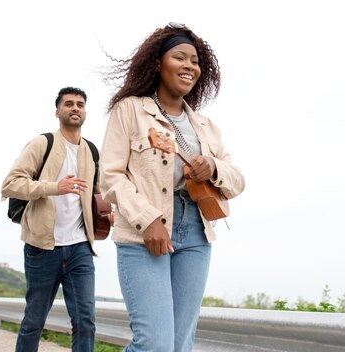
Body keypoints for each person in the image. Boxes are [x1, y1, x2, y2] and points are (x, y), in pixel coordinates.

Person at [99, 22, 246, 352]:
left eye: (195, 61)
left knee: (180, 346)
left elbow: (237, 180)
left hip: (196, 231)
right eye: (179, 57)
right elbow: (110, 177)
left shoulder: (205, 127)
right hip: (144, 230)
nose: (189, 66)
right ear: (157, 64)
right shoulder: (131, 110)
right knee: (154, 345)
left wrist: (214, 167)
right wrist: (147, 218)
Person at [1, 87, 98, 352]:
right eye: (69, 104)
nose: (75, 108)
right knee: (34, 321)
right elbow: (10, 184)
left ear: (85, 112)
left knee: (86, 322)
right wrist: (54, 187)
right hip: (42, 248)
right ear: (58, 112)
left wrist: (107, 211)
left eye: (80, 104)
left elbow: (98, 194)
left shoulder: (91, 151)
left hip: (80, 248)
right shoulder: (42, 143)